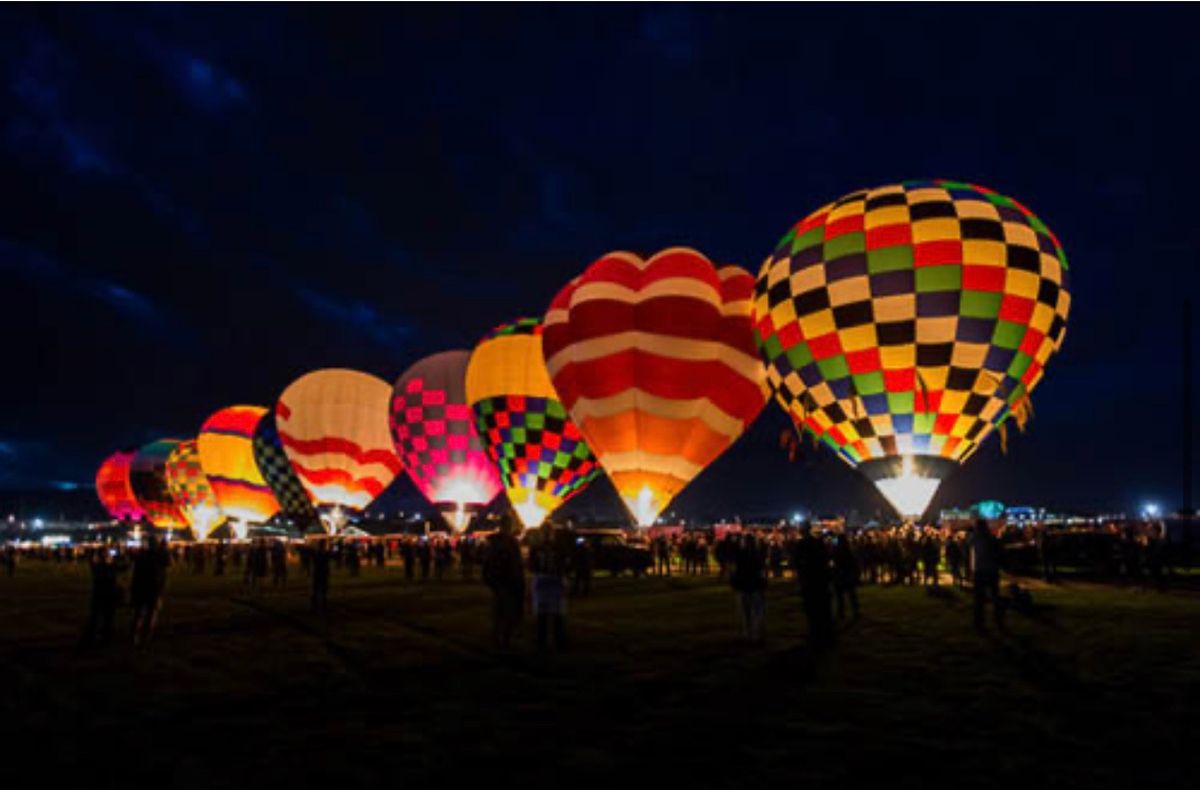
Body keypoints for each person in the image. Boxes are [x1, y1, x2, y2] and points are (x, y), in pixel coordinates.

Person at [482, 515, 525, 650]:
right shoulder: (510, 543)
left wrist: (489, 580)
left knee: (499, 612)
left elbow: (487, 563)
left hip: (498, 582)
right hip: (509, 582)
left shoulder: (493, 542)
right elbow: (516, 565)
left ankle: (497, 639)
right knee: (509, 612)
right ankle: (504, 640)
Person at [793, 523, 834, 648]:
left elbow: (797, 563)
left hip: (809, 581)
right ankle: (826, 633)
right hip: (821, 580)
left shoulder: (800, 545)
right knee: (823, 608)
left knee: (812, 609)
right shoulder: (818, 543)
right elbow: (826, 559)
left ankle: (815, 633)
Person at [529, 525, 568, 650]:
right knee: (556, 614)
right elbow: (564, 564)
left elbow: (532, 565)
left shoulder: (536, 548)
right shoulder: (558, 548)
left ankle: (543, 641)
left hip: (543, 581)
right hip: (553, 580)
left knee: (544, 615)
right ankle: (558, 641)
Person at [129, 535, 169, 646]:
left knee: (139, 613)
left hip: (140, 588)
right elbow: (167, 562)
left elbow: (135, 573)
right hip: (153, 588)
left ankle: (135, 636)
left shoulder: (141, 555)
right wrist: (164, 548)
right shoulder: (158, 555)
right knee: (150, 613)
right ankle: (146, 636)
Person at [82, 547, 126, 646]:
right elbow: (124, 567)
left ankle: (90, 636)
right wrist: (122, 555)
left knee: (95, 617)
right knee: (107, 618)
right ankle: (105, 637)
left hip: (98, 595)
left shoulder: (96, 566)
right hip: (108, 595)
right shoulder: (109, 566)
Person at [730, 534, 767, 643]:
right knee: (757, 610)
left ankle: (748, 633)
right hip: (754, 584)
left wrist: (734, 582)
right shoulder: (757, 554)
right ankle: (755, 633)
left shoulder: (739, 554)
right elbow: (762, 569)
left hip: (743, 585)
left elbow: (734, 570)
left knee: (745, 612)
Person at [970, 520, 1005, 629]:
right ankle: (998, 619)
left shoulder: (975, 540)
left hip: (980, 571)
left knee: (979, 599)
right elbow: (999, 553)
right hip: (992, 570)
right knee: (995, 596)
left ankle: (979, 622)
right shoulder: (992, 539)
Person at [831, 534, 860, 620]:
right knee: (851, 595)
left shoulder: (837, 551)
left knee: (841, 596)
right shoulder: (848, 551)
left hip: (841, 575)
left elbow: (834, 562)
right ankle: (854, 612)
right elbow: (853, 563)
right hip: (846, 575)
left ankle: (842, 612)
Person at [310, 540, 331, 612]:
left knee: (318, 588)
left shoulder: (317, 553)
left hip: (319, 572)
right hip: (322, 572)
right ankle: (320, 603)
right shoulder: (324, 553)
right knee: (321, 589)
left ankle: (316, 603)